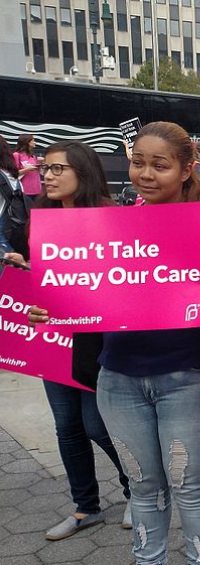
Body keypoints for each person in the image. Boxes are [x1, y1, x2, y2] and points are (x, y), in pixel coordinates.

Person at [29, 122, 200, 565]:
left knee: (189, 486)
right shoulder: (104, 226)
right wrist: (51, 309)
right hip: (118, 378)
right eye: (137, 162)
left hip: (190, 376)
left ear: (186, 169)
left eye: (159, 165)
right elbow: (79, 293)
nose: (145, 173)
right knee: (143, 486)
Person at [4, 141, 133, 541]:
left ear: (84, 171)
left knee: (98, 425)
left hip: (99, 340)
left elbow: (127, 276)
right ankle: (85, 508)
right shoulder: (36, 215)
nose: (47, 175)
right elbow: (39, 278)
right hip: (54, 336)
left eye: (59, 169)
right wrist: (21, 267)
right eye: (46, 169)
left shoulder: (112, 217)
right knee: (67, 427)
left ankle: (138, 491)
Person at [13, 133, 42, 198]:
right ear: (27, 142)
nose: (35, 142)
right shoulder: (16, 155)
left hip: (37, 190)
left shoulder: (33, 156)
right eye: (33, 140)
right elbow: (13, 173)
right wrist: (27, 169)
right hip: (24, 191)